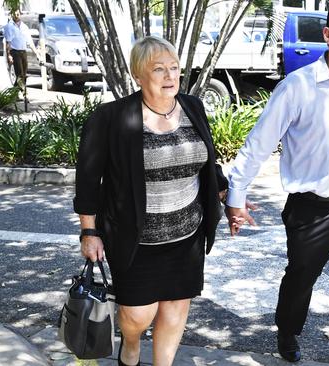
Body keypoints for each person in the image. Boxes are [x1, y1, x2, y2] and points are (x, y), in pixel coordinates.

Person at [225, 1, 329, 364]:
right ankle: (287, 329)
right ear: (328, 35)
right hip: (311, 208)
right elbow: (259, 143)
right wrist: (236, 196)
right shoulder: (298, 87)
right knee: (300, 278)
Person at [73, 36, 228, 366]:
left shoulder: (192, 107)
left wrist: (225, 190)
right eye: (159, 69)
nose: (170, 76)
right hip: (136, 239)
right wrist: (89, 232)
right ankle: (130, 347)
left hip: (187, 235)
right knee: (137, 316)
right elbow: (88, 179)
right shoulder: (112, 118)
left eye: (174, 68)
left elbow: (206, 160)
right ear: (138, 75)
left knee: (175, 311)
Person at [4, 9, 40, 93]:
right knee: (19, 73)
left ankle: (14, 93)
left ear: (20, 14)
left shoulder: (24, 26)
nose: (16, 16)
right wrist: (8, 55)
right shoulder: (9, 26)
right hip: (14, 52)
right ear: (11, 15)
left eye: (18, 14)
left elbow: (30, 41)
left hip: (23, 51)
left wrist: (37, 54)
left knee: (23, 74)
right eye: (14, 14)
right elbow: (8, 42)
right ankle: (24, 93)